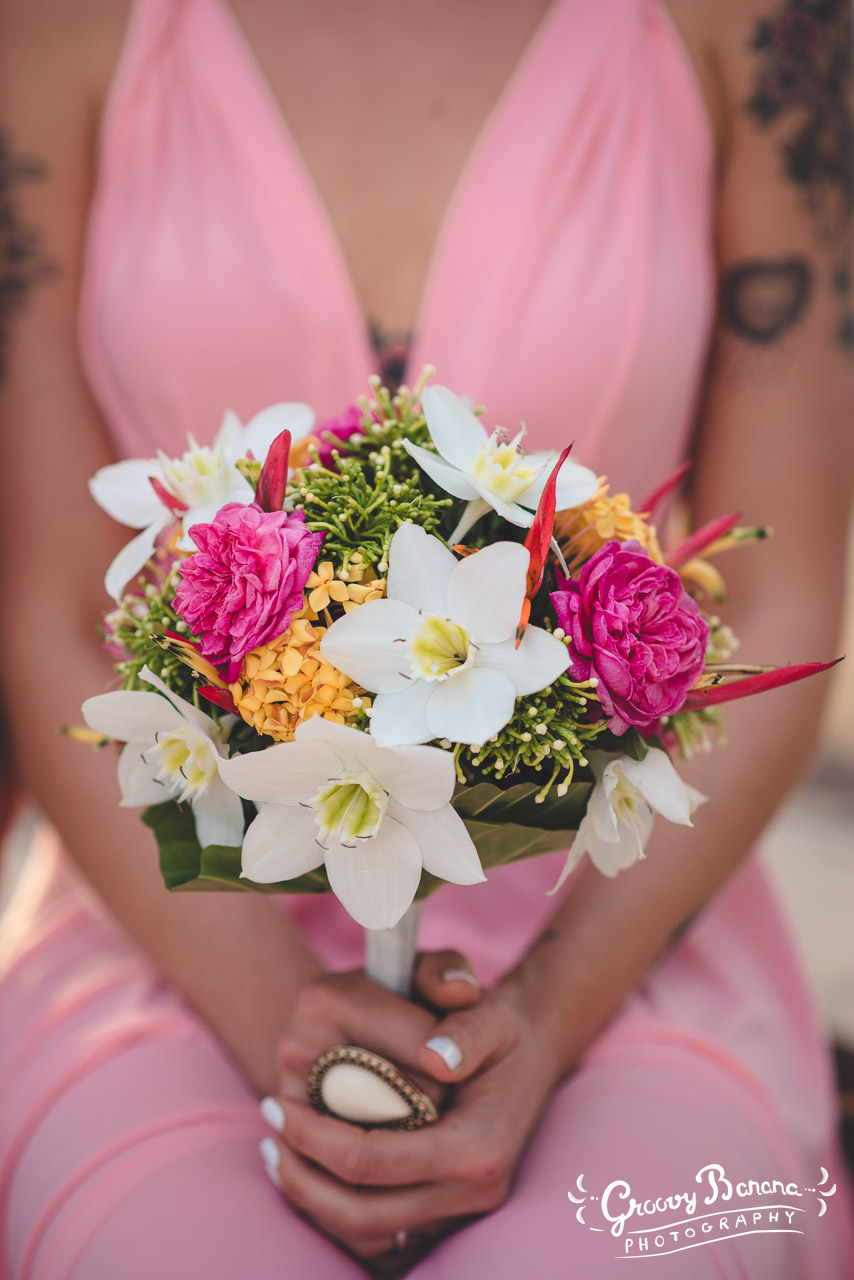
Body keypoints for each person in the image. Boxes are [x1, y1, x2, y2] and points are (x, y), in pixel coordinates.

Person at [1, 0, 852, 1275]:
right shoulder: (46, 32)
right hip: (172, 912)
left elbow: (773, 601)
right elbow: (60, 620)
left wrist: (539, 1020)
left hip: (619, 918)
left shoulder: (761, 29)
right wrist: (300, 1037)